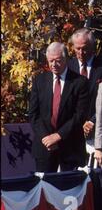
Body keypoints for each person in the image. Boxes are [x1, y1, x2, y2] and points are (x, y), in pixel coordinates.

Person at [29, 42, 89, 172]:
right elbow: (34, 115)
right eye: (50, 61)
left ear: (66, 59)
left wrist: (58, 136)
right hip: (45, 147)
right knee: (44, 189)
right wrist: (47, 138)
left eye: (57, 61)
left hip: (70, 147)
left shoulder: (80, 82)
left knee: (70, 190)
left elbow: (80, 115)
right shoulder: (39, 81)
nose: (53, 65)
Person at [67, 28, 102, 165]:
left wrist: (93, 121)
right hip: (73, 133)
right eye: (77, 48)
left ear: (93, 47)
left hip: (100, 132)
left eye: (85, 48)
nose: (81, 53)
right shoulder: (68, 67)